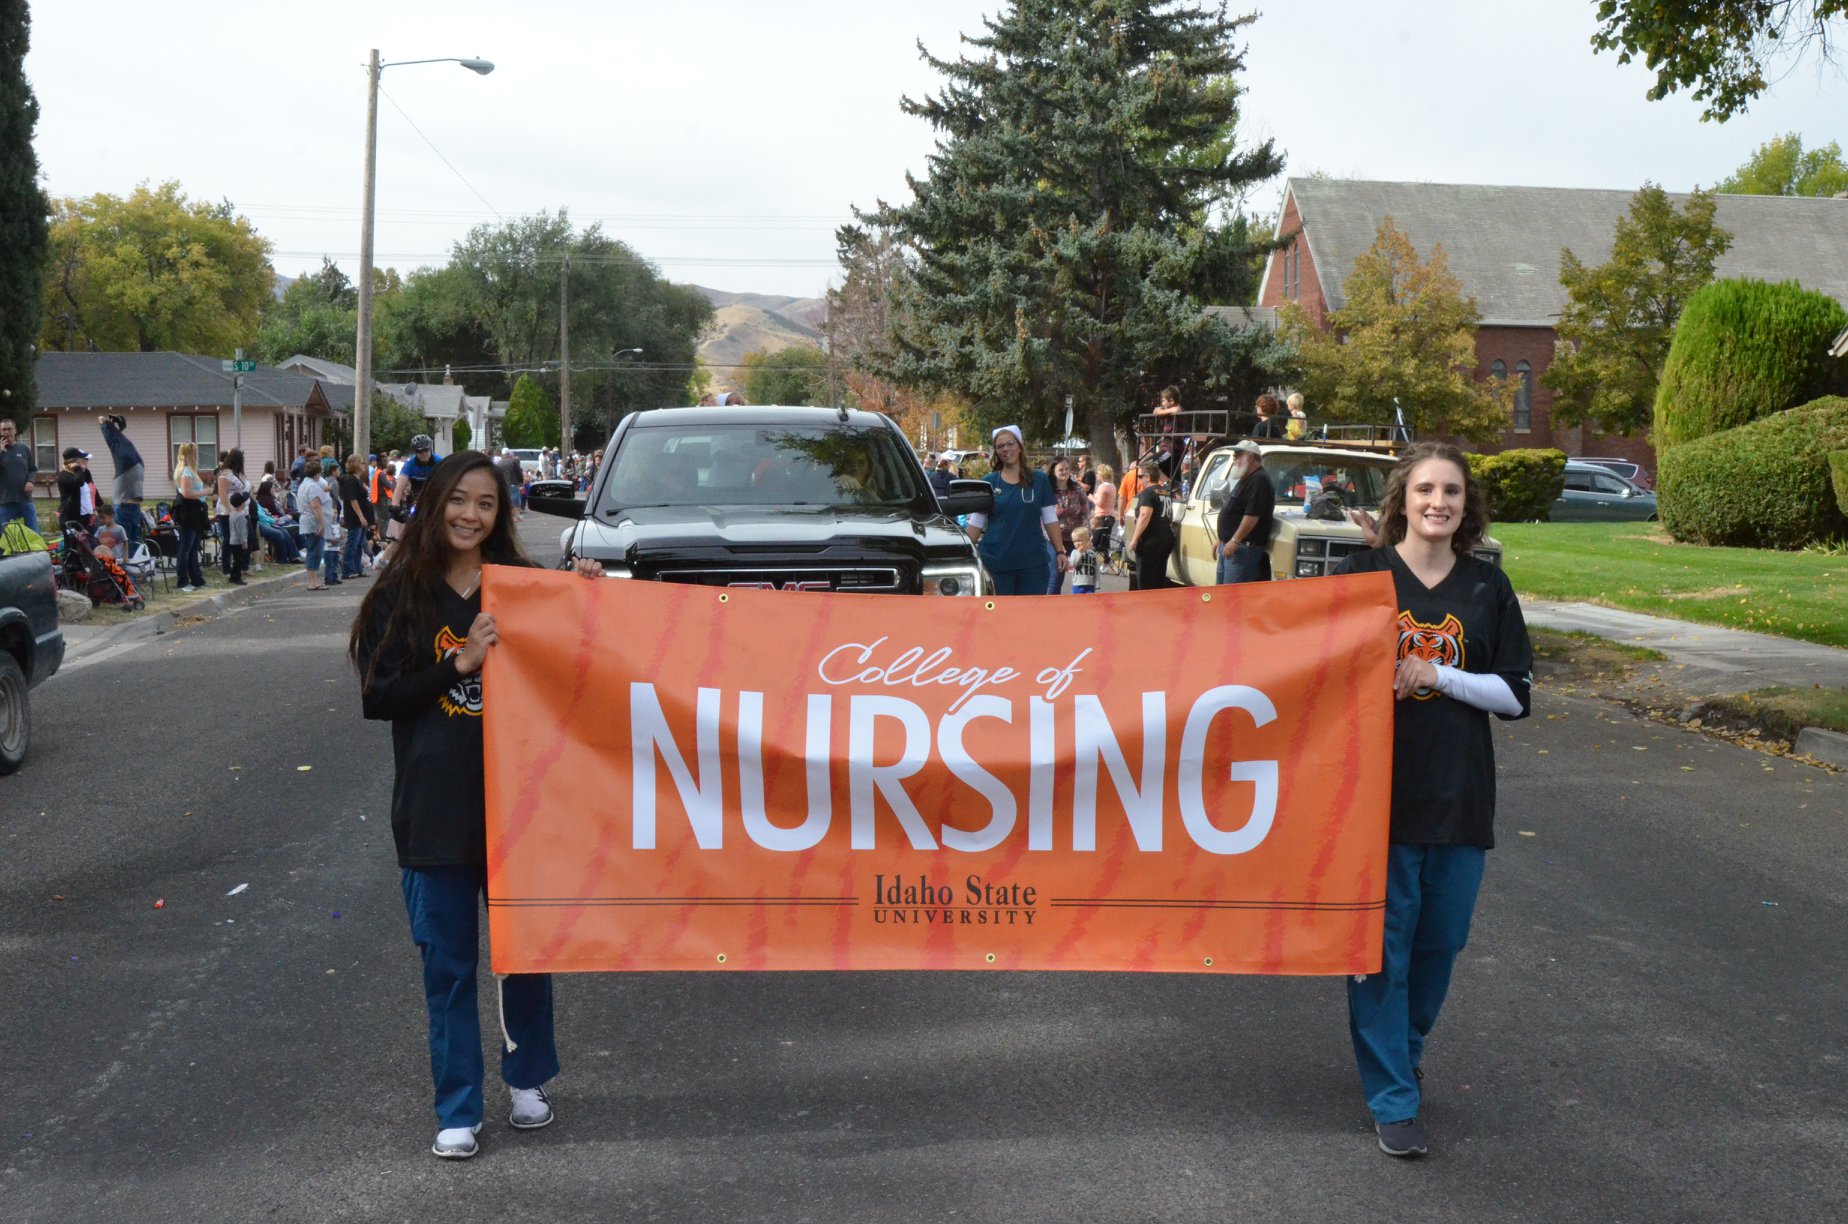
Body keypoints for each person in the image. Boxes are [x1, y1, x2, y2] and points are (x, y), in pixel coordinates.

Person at [348, 451, 603, 1160]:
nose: (470, 514)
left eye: (485, 504)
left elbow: (590, 660)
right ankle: (457, 1108)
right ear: (435, 505)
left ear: (501, 514)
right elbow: (378, 697)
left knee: (526, 953)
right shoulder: (403, 593)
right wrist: (458, 664)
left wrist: (587, 594)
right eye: (459, 500)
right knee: (449, 965)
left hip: (522, 808)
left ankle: (528, 1081)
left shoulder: (523, 588)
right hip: (434, 811)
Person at [1332, 441, 1533, 1160]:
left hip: (1458, 795)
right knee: (1380, 952)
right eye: (1424, 490)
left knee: (1440, 945)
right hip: (1373, 798)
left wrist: (1436, 675)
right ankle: (1392, 1096)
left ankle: (1403, 1051)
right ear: (1402, 499)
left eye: (1450, 491)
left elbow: (1514, 696)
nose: (1437, 502)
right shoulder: (1361, 575)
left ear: (1465, 504)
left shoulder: (1487, 589)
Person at [965, 426, 1065, 596]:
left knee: (1029, 616)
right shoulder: (989, 482)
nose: (1006, 449)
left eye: (1010, 443)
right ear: (996, 452)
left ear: (1019, 446)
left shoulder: (1039, 480)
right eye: (1000, 446)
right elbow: (976, 523)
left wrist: (1060, 551)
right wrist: (963, 553)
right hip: (997, 564)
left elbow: (1050, 519)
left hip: (1032, 564)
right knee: (1000, 617)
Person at [1216, 439, 1275, 585]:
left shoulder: (1259, 480)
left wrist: (1234, 541)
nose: (1234, 459)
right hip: (1232, 545)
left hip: (1243, 548)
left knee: (1232, 595)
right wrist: (1221, 539)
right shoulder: (1246, 478)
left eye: (1238, 455)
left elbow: (1252, 516)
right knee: (1221, 594)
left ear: (1251, 457)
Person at [1125, 457, 1176, 591]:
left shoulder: (1147, 493)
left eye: (1140, 476)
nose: (1138, 479)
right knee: (1158, 577)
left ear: (1148, 477)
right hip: (1166, 537)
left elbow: (1145, 515)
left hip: (1151, 540)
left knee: (1146, 581)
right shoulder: (1165, 492)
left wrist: (1135, 539)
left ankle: (1147, 608)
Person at [97, 415, 147, 547]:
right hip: (130, 506)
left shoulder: (130, 460)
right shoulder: (133, 461)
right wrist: (107, 425)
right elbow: (117, 443)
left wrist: (107, 425)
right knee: (130, 541)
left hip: (128, 506)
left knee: (128, 541)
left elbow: (116, 443)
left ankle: (129, 565)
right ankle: (131, 565)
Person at [1045, 457, 1092, 594]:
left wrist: (1085, 537)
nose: (1065, 472)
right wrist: (1055, 543)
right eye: (1061, 469)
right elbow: (1042, 519)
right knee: (1056, 575)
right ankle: (1050, 607)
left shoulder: (1077, 489)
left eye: (1067, 469)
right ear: (1053, 472)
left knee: (1084, 576)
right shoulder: (1047, 491)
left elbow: (1085, 514)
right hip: (1053, 538)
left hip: (1074, 537)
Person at [171, 441, 210, 593]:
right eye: (195, 452)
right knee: (185, 548)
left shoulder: (190, 471)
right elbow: (186, 493)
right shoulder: (186, 472)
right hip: (188, 512)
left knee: (193, 548)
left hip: (196, 512)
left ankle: (197, 579)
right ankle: (182, 580)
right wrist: (205, 492)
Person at [214, 448, 252, 586]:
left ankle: (240, 567)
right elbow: (222, 493)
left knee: (246, 539)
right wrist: (230, 510)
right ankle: (227, 569)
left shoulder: (238, 474)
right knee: (229, 540)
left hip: (241, 510)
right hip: (227, 511)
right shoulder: (225, 473)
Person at [297, 457, 336, 590]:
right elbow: (315, 506)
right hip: (313, 521)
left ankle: (313, 580)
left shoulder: (303, 484)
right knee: (315, 551)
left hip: (305, 521)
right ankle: (312, 581)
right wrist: (322, 524)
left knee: (312, 550)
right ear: (317, 473)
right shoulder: (312, 486)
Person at [339, 454, 377, 580]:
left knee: (359, 543)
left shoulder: (359, 480)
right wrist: (361, 516)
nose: (363, 465)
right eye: (361, 462)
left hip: (363, 517)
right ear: (354, 465)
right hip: (355, 517)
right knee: (352, 543)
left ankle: (357, 568)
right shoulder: (350, 480)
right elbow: (352, 500)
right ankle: (347, 570)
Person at [0, 417, 37, 533]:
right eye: (3, 429)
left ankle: (35, 551)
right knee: (4, 536)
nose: (7, 432)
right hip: (4, 501)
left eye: (9, 429)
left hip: (24, 499)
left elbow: (33, 469)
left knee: (33, 531)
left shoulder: (23, 449)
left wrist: (30, 481)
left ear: (15, 431)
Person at [56, 447, 94, 531]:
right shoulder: (64, 475)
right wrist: (78, 469)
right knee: (73, 543)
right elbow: (78, 482)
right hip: (70, 515)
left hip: (84, 514)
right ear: (75, 460)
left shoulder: (80, 473)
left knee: (86, 542)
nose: (83, 461)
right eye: (80, 459)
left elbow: (91, 487)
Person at [1089, 463, 1118, 561]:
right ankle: (1106, 560)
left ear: (1102, 475)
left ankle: (1090, 560)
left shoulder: (1102, 487)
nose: (1096, 475)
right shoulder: (1112, 486)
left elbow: (1100, 503)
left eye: (1097, 473)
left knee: (1094, 541)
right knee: (1105, 541)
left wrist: (1091, 498)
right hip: (1110, 516)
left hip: (1101, 517)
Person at [1068, 526, 1099, 594]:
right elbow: (1072, 564)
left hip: (1090, 584)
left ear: (1087, 540)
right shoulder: (1074, 552)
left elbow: (1096, 568)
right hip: (1078, 584)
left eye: (1079, 540)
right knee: (1078, 603)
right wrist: (1079, 552)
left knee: (1089, 603)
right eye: (1074, 541)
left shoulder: (1093, 554)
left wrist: (1097, 583)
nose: (1077, 543)